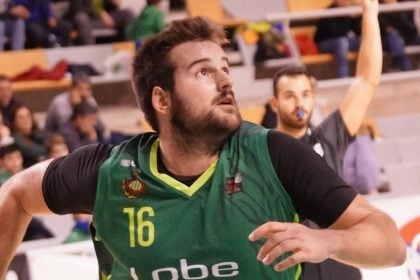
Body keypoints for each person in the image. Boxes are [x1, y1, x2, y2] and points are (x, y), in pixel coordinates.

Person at [0, 16, 406, 279]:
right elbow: (16, 193)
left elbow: (388, 241)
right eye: (204, 72)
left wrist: (328, 242)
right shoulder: (107, 171)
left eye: (225, 70)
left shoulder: (274, 153)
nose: (226, 81)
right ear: (162, 100)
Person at [267, 0, 383, 279]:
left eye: (305, 94)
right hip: (288, 270)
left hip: (340, 268)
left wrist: (370, 12)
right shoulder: (260, 148)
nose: (300, 103)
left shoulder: (328, 138)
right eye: (290, 95)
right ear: (274, 104)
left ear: (313, 98)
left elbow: (367, 79)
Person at [314, 0, 362, 78]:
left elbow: (358, 31)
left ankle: (363, 72)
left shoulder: (348, 12)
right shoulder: (329, 12)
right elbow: (337, 33)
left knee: (362, 40)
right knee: (342, 42)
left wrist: (356, 18)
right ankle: (343, 75)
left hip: (343, 42)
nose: (346, 2)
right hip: (324, 44)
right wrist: (347, 16)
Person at [64, 0, 133, 45]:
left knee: (128, 13)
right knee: (81, 18)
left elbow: (111, 8)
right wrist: (100, 13)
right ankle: (90, 51)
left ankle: (130, 46)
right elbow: (77, 8)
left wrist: (114, 3)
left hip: (105, 20)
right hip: (89, 20)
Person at [378, 0, 419, 71]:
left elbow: (410, 27)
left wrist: (395, 7)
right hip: (388, 39)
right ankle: (405, 70)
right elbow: (383, 29)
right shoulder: (377, 9)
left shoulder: (405, 5)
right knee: (394, 37)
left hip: (409, 36)